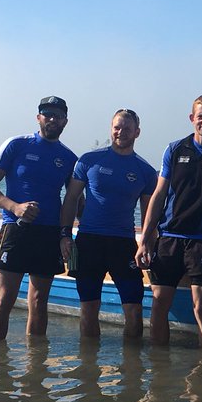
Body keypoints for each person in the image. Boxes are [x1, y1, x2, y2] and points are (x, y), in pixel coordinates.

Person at [135, 94, 202, 347]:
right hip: (169, 238)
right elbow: (158, 196)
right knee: (159, 305)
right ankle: (158, 366)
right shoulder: (174, 149)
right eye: (200, 116)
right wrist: (144, 240)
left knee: (201, 309)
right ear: (192, 118)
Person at [0, 96, 78, 341]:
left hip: (49, 234)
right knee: (4, 299)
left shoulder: (69, 158)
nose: (52, 119)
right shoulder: (16, 145)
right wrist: (15, 207)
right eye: (47, 114)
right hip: (16, 229)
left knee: (39, 300)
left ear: (65, 121)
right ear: (38, 118)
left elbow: (76, 201)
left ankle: (36, 362)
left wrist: (68, 234)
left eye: (58, 115)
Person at [58, 109, 157, 340]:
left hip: (123, 244)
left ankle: (132, 362)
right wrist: (64, 235)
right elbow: (71, 199)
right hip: (88, 242)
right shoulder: (89, 160)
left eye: (127, 129)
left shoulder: (145, 171)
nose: (121, 132)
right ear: (111, 129)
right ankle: (88, 361)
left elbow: (149, 215)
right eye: (117, 128)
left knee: (134, 310)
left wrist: (148, 245)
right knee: (89, 308)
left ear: (137, 132)